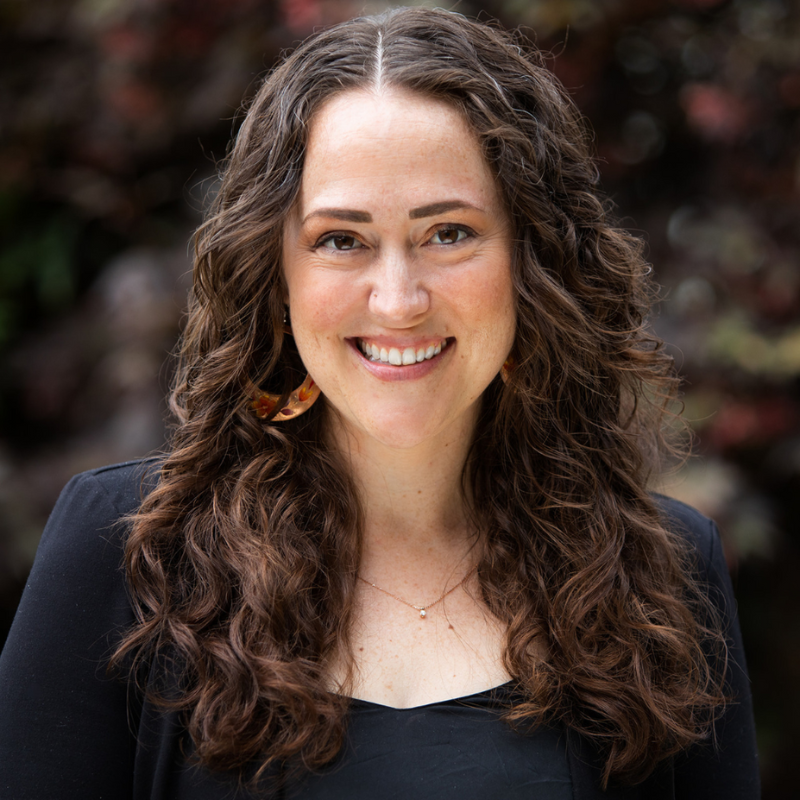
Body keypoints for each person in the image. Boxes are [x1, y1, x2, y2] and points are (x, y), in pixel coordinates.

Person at [0, 7, 759, 799]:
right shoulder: (127, 556)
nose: (398, 301)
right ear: (275, 274)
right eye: (341, 239)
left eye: (449, 233)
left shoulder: (663, 576)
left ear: (531, 258)